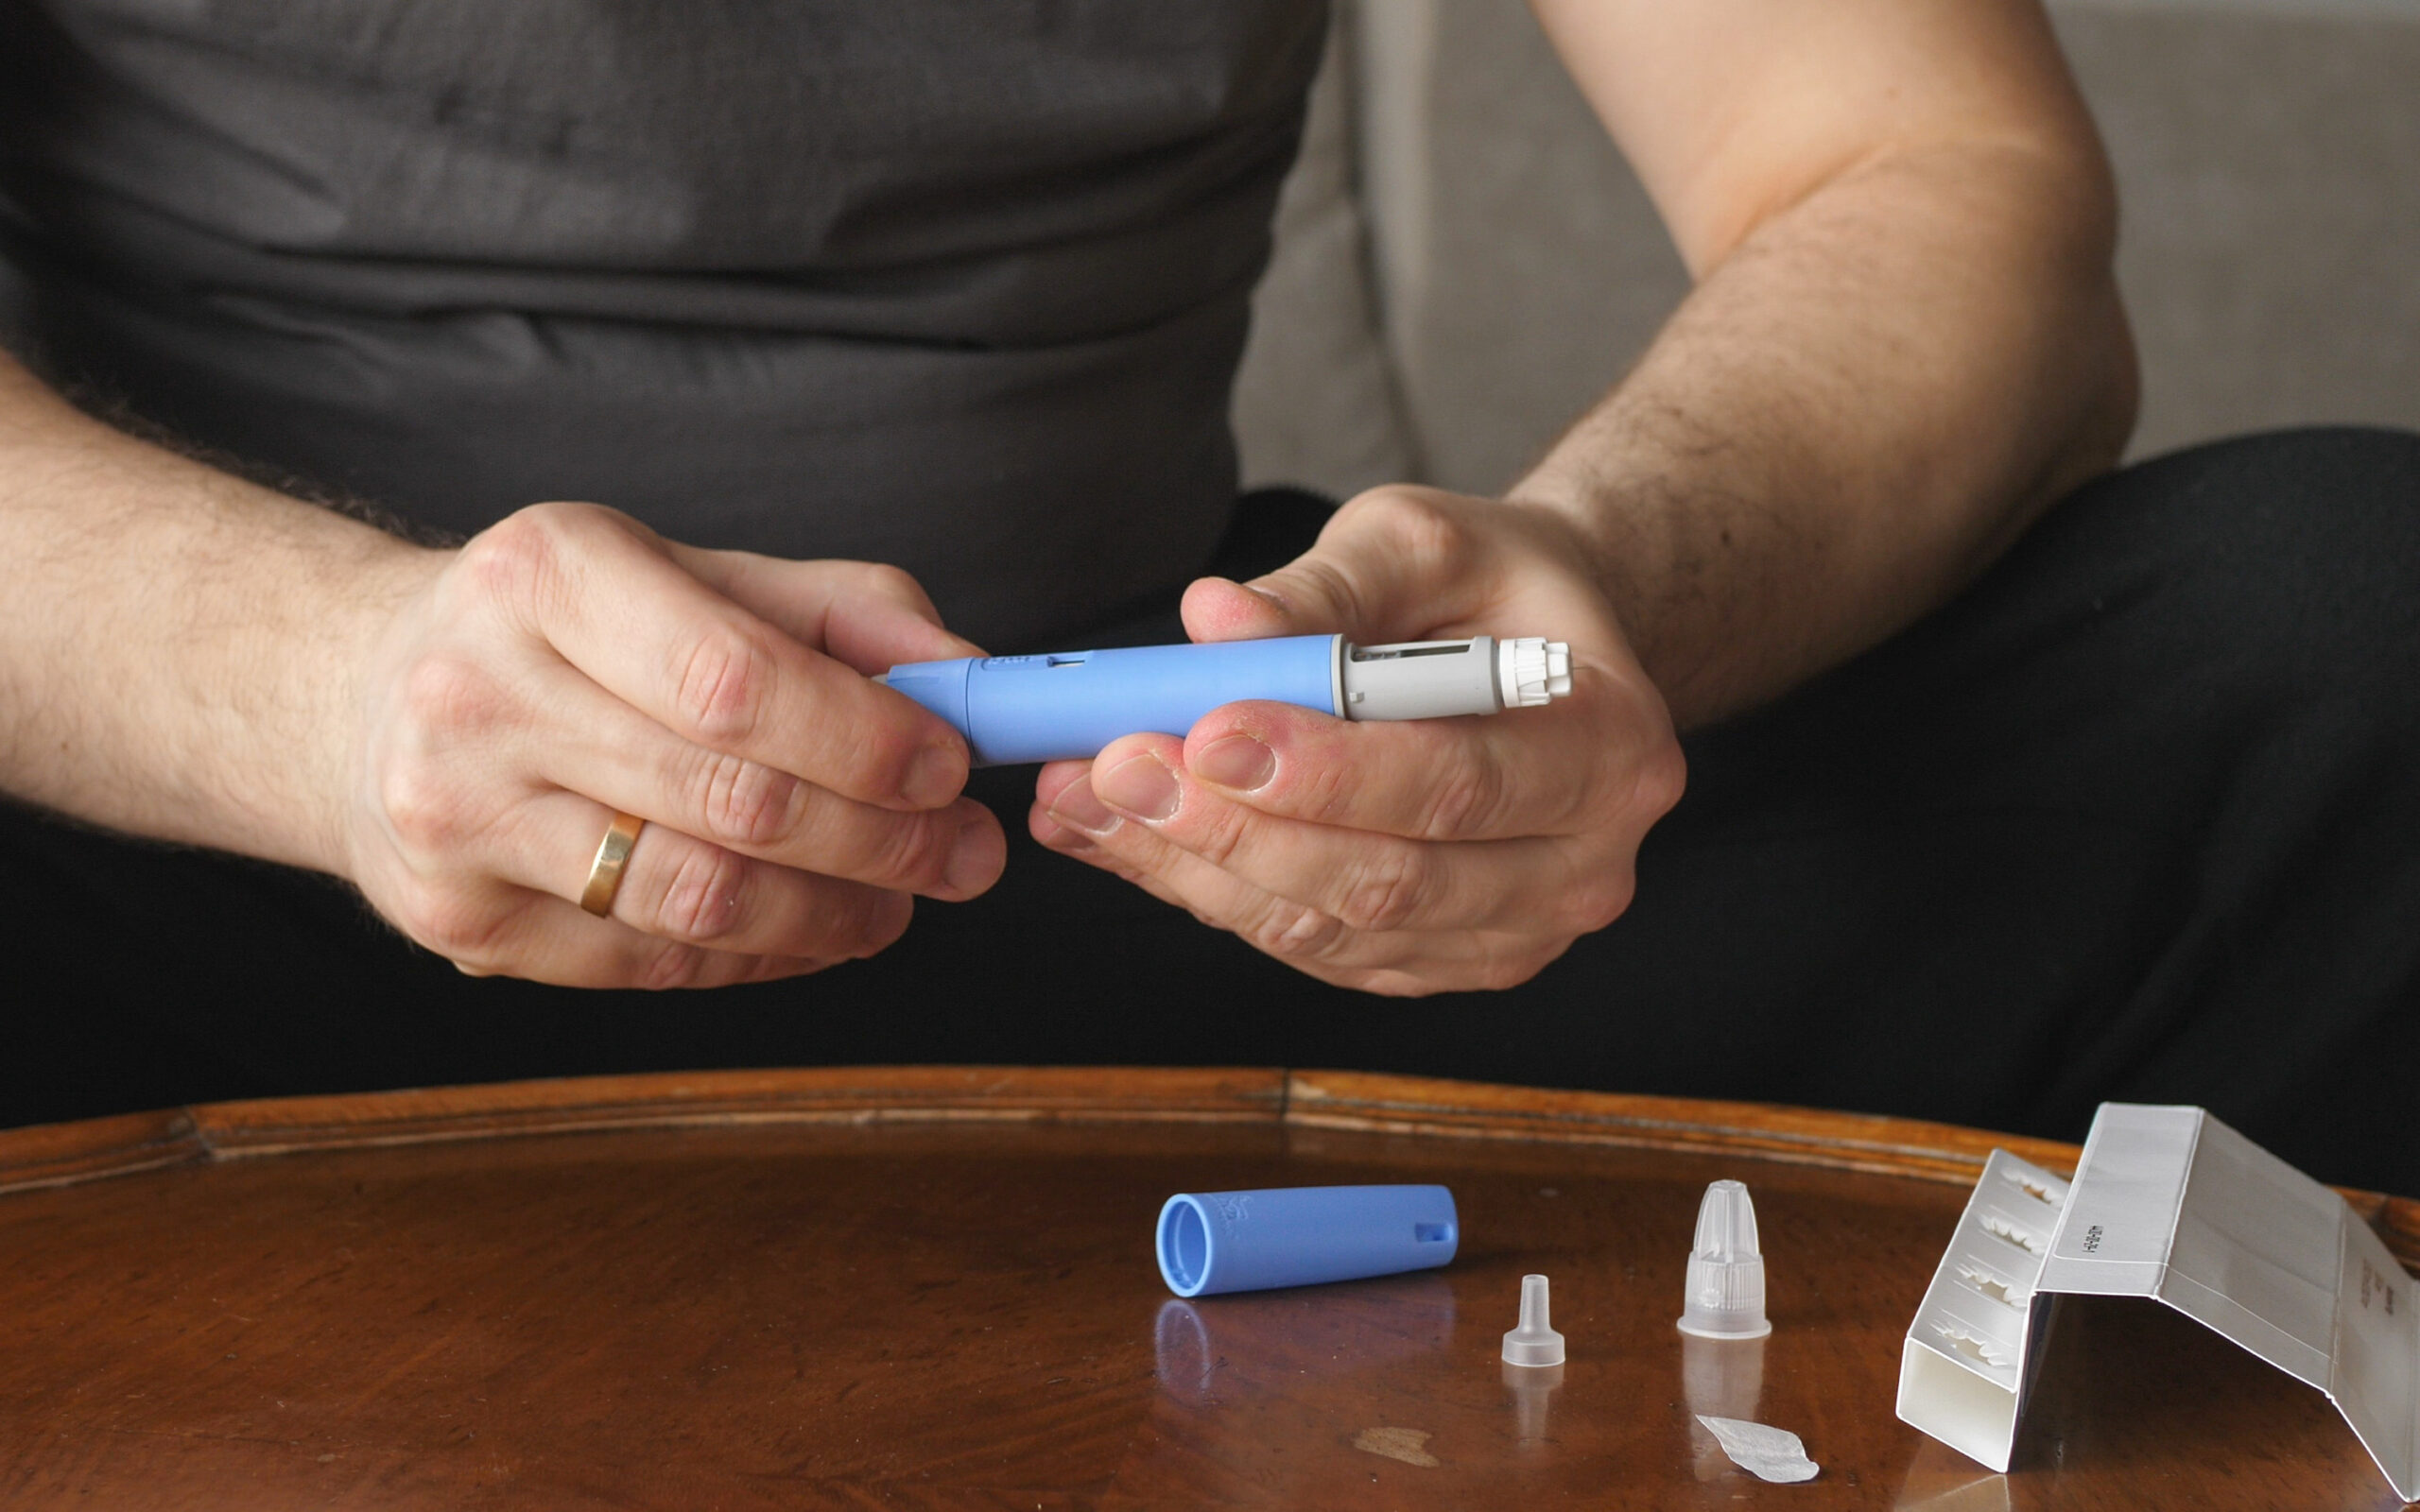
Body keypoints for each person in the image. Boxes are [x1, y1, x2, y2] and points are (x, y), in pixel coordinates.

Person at [2, 1, 2411, 1190]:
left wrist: (1604, 576)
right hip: (225, 868)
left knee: (2350, 627)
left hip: (1185, 843)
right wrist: (330, 689)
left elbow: (1932, 172)